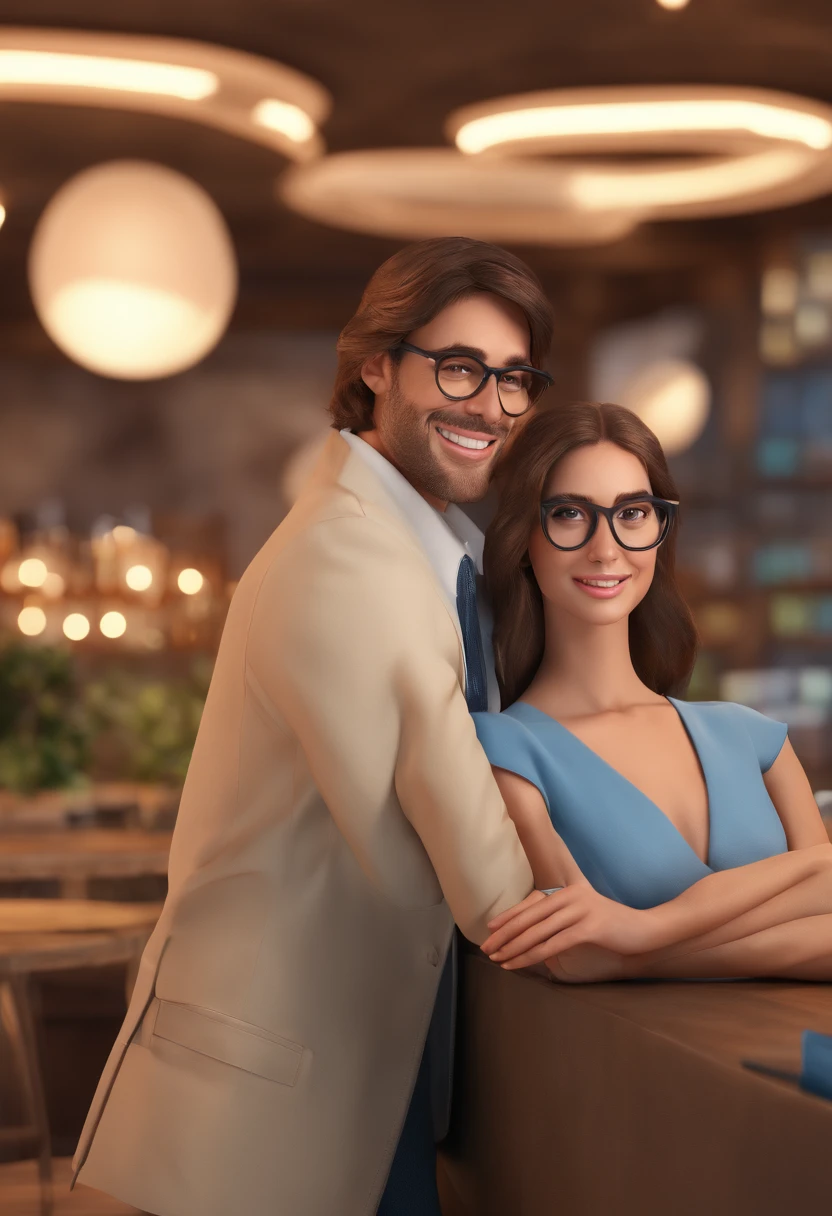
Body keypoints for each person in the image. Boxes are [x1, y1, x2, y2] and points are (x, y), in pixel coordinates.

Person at [71, 237, 556, 1216]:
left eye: (512, 378)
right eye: (457, 366)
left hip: (365, 1087)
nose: (490, 405)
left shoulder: (438, 557)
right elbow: (484, 880)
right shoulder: (348, 560)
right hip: (260, 1120)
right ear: (376, 365)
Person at [471, 401, 832, 984]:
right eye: (568, 513)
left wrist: (643, 933)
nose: (605, 548)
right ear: (523, 536)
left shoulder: (751, 736)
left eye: (632, 513)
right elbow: (575, 955)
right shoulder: (505, 750)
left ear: (660, 531)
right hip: (627, 1068)